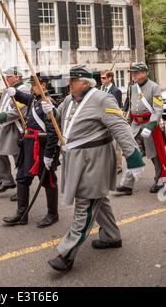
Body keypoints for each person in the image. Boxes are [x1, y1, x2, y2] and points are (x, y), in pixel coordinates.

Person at [41, 64, 145, 273]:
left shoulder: (102, 99)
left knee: (85, 205)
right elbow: (61, 120)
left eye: (73, 81)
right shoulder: (70, 99)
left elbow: (120, 126)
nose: (68, 84)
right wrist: (50, 111)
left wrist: (134, 158)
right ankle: (111, 236)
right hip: (76, 159)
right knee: (99, 200)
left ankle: (66, 254)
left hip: (94, 160)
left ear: (85, 82)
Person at [2, 72, 60, 227]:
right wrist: (15, 92)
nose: (31, 87)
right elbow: (24, 98)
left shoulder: (49, 103)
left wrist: (49, 155)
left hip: (41, 147)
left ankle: (53, 214)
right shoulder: (34, 99)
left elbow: (53, 132)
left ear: (43, 85)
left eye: (34, 84)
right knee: (22, 178)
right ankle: (21, 214)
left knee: (47, 180)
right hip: (28, 145)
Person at [117, 62, 165, 195]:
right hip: (135, 126)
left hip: (150, 126)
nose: (133, 75)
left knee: (155, 156)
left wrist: (150, 126)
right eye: (132, 73)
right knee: (132, 153)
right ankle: (127, 184)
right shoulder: (133, 88)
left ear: (144, 73)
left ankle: (160, 181)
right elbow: (132, 107)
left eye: (136, 72)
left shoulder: (154, 87)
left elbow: (158, 108)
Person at [0, 67, 27, 195]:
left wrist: (2, 117)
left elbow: (20, 110)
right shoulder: (6, 89)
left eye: (9, 76)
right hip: (4, 127)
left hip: (16, 127)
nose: (7, 78)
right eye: (6, 76)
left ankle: (22, 189)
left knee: (18, 159)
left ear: (17, 77)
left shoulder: (24, 90)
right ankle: (7, 181)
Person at [101, 69, 123, 174]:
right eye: (101, 77)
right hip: (103, 121)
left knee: (116, 146)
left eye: (104, 78)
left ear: (110, 78)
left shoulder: (116, 91)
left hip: (114, 121)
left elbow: (117, 108)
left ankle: (118, 166)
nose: (102, 79)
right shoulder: (102, 89)